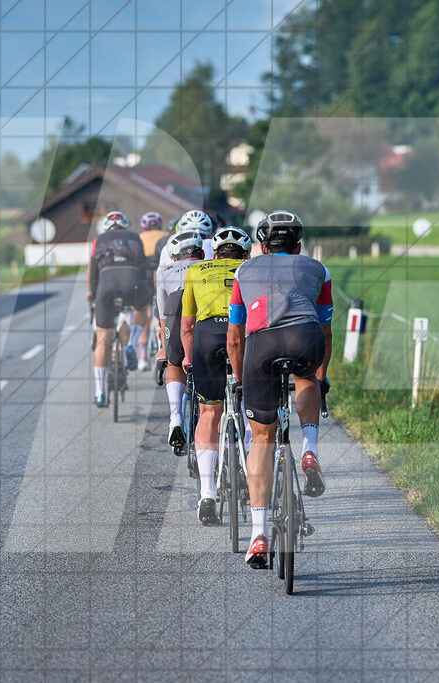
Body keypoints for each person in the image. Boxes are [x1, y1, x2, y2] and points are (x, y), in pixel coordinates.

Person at [226, 210, 333, 568]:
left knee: (262, 439)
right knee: (307, 381)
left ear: (262, 246)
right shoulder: (318, 269)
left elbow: (234, 336)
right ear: (298, 245)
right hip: (307, 335)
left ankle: (258, 535)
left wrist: (243, 384)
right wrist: (321, 375)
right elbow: (326, 329)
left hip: (262, 346)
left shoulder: (243, 271)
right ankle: (309, 449)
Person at [179, 227, 252, 525]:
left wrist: (187, 357)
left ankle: (207, 494)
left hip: (207, 336)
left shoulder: (196, 269)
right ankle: (251, 470)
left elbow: (186, 325)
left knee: (209, 411)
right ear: (245, 254)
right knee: (251, 404)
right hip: (243, 334)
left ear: (213, 254)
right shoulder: (252, 269)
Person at [87, 211, 152, 407]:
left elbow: (93, 271)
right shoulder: (134, 237)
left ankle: (99, 393)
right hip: (131, 281)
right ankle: (131, 343)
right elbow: (143, 266)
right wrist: (145, 289)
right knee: (142, 308)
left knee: (102, 340)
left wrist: (93, 294)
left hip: (105, 286)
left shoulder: (98, 241)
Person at [155, 231, 205, 450]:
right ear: (202, 253)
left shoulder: (165, 272)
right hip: (203, 317)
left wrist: (164, 349)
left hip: (175, 313)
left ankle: (176, 416)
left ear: (174, 257)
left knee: (174, 363)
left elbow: (162, 318)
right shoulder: (207, 268)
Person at [130, 211, 168, 371]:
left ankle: (143, 357)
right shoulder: (166, 235)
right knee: (163, 311)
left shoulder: (139, 237)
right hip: (160, 273)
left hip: (143, 275)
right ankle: (163, 344)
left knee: (143, 313)